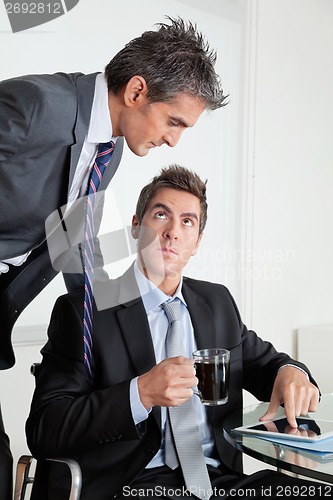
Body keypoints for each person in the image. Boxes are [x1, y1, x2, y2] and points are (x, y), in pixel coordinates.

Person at [0, 18, 226, 498]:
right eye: (175, 122)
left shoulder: (111, 152)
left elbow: (77, 253)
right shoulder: (39, 105)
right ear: (138, 91)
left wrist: (138, 321)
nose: (174, 141)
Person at [26, 165, 326, 499]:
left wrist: (290, 372)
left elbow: (266, 363)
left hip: (218, 484)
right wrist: (139, 393)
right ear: (136, 227)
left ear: (196, 242)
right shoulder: (85, 311)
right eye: (160, 215)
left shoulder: (217, 302)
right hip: (130, 486)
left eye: (187, 221)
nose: (172, 232)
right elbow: (45, 427)